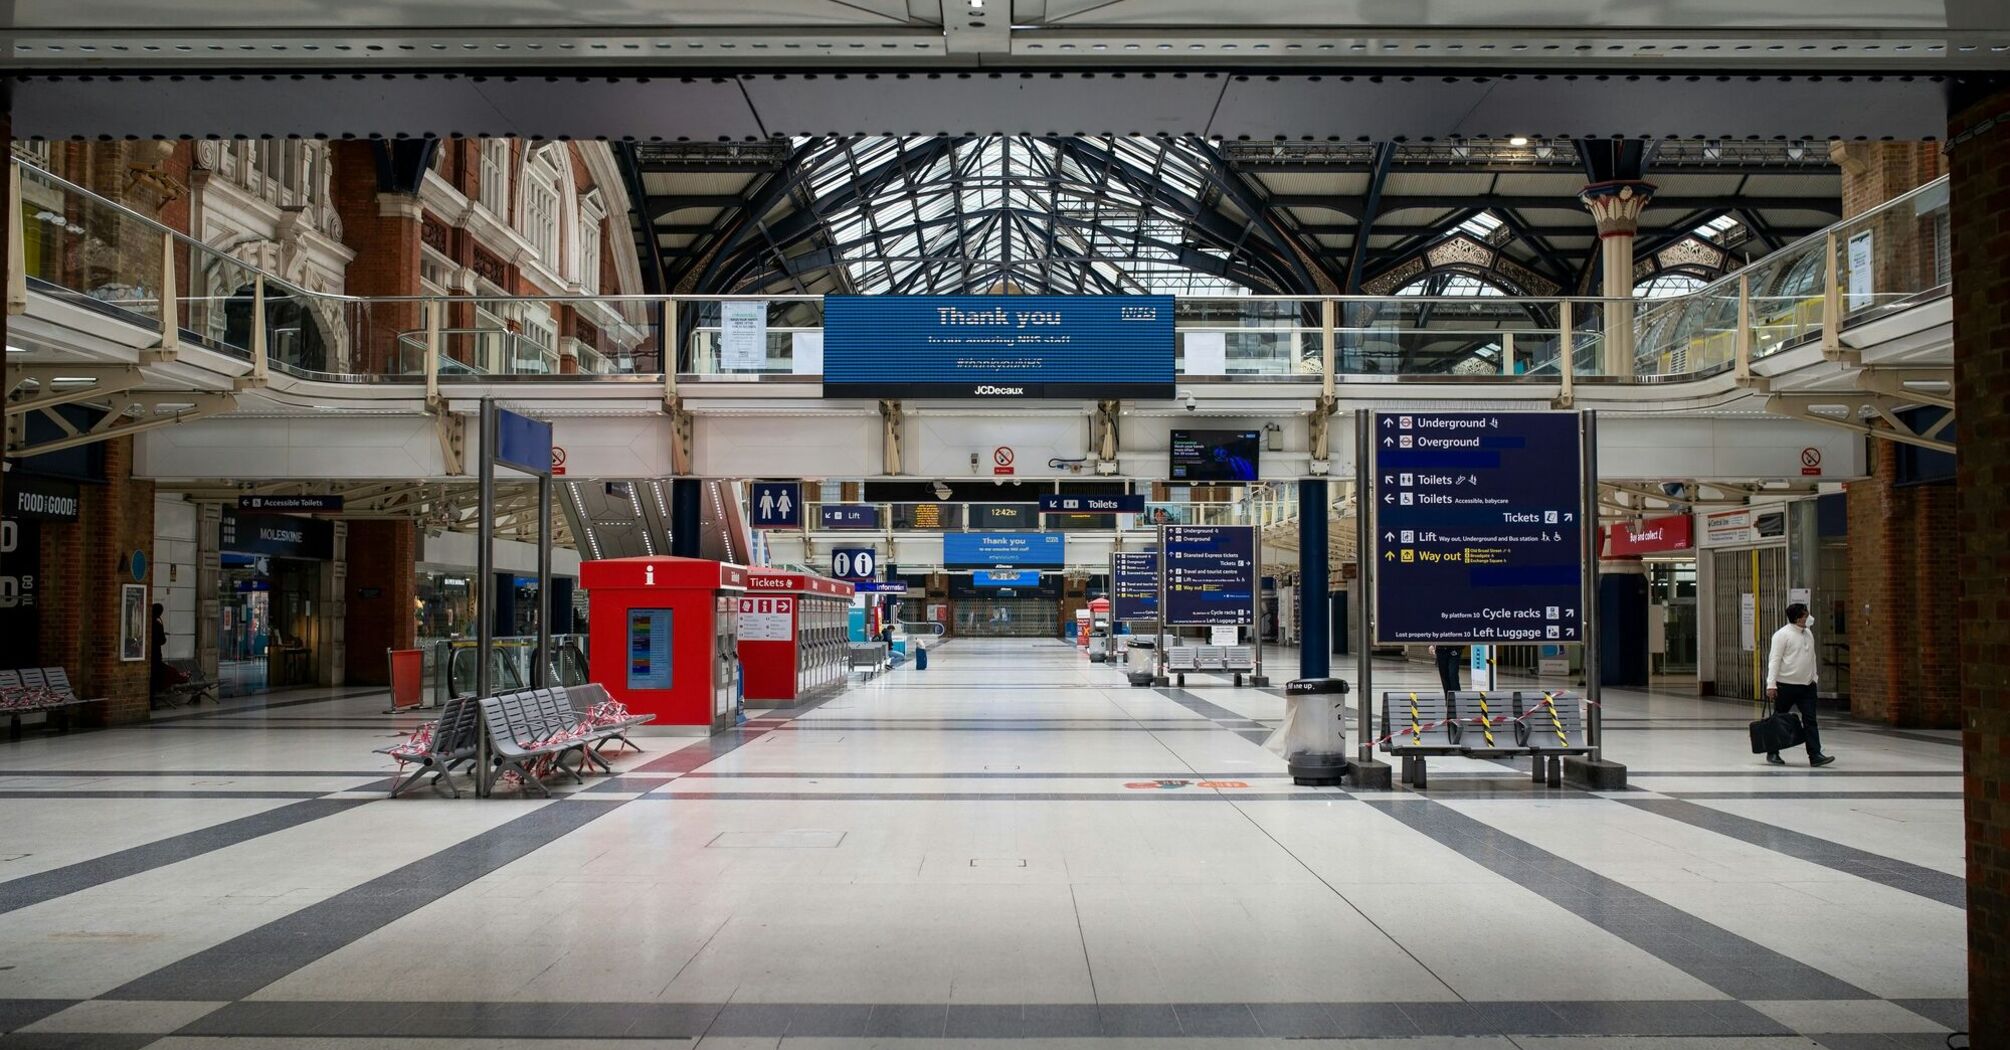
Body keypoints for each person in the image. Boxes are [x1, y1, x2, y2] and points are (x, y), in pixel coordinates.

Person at [1765, 602, 1834, 767]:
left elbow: (1812, 657)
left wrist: (1814, 677)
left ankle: (1815, 754)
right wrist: (1771, 684)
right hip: (1785, 685)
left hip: (1807, 686)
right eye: (1805, 614)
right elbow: (1774, 660)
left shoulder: (1808, 634)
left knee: (1810, 720)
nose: (1808, 617)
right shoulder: (1782, 635)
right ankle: (1773, 752)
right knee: (1779, 719)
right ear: (1798, 618)